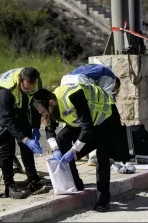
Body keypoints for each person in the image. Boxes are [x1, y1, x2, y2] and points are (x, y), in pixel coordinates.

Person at [33, 83, 129, 212]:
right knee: (61, 138)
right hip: (83, 121)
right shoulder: (52, 105)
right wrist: (55, 149)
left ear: (50, 102)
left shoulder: (73, 96)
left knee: (102, 156)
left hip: (104, 119)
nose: (42, 113)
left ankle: (103, 197)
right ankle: (76, 182)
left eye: (43, 111)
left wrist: (73, 151)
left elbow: (87, 130)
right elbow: (50, 129)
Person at [0, 67, 48, 199]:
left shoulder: (33, 85)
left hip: (18, 106)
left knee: (26, 142)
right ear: (21, 80)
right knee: (7, 148)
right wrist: (24, 139)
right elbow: (7, 120)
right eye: (26, 88)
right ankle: (9, 187)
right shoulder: (6, 91)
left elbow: (34, 105)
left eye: (31, 88)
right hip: (1, 113)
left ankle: (33, 180)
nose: (29, 90)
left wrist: (35, 128)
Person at [60, 63, 121, 166]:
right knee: (94, 118)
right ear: (116, 84)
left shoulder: (94, 69)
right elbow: (103, 97)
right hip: (80, 82)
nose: (114, 92)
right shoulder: (110, 77)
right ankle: (93, 157)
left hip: (65, 81)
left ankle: (68, 150)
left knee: (69, 115)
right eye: (115, 90)